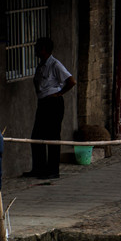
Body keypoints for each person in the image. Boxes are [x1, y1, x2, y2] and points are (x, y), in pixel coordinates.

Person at [27, 37, 75, 178]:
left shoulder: (55, 64)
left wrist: (59, 93)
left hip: (53, 103)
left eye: (38, 47)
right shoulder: (41, 65)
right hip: (43, 103)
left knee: (52, 136)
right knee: (37, 136)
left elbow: (71, 81)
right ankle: (39, 168)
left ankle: (53, 170)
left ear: (44, 49)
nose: (35, 50)